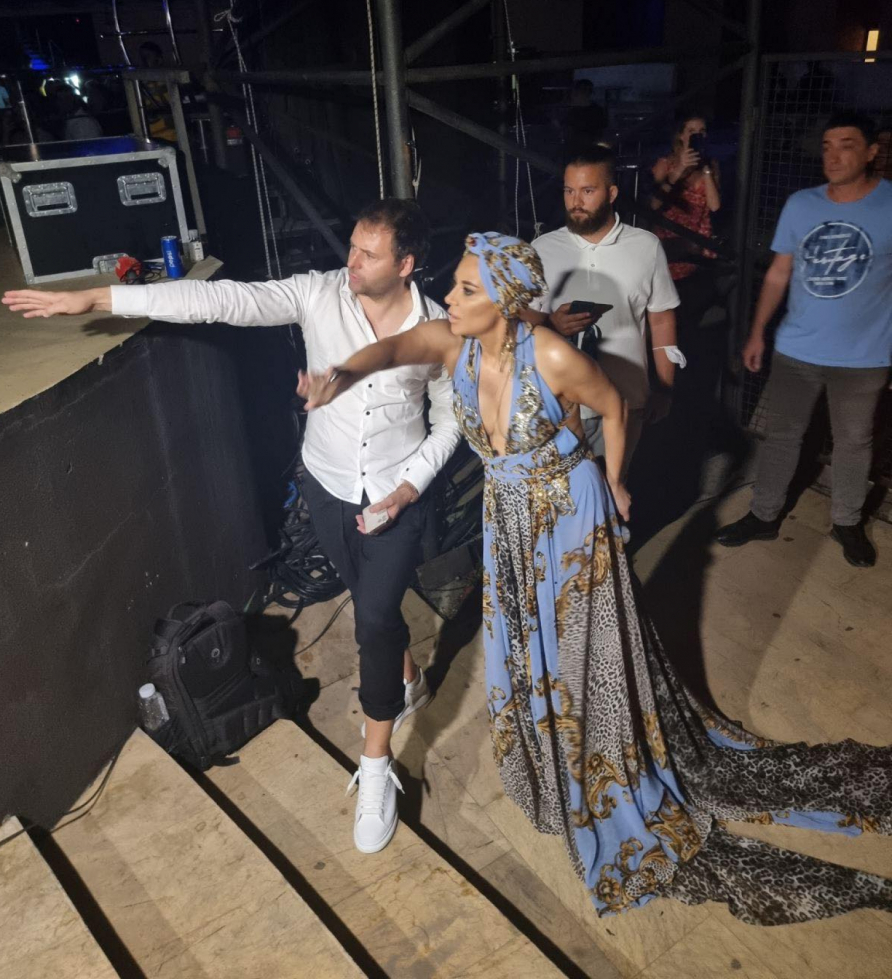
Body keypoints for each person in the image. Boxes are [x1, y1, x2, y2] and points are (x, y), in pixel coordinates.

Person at [299, 230, 892, 924]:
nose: (449, 298)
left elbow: (611, 405)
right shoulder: (452, 342)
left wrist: (614, 480)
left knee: (582, 647)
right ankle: (554, 758)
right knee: (530, 645)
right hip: (508, 515)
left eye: (466, 288)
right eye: (455, 285)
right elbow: (392, 350)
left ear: (507, 301)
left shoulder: (552, 354)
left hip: (567, 512)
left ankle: (604, 764)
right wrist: (342, 374)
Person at [2, 198, 460, 855]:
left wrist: (410, 485)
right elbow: (222, 300)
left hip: (398, 495)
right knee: (374, 608)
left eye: (368, 253)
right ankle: (407, 680)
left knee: (375, 621)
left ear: (406, 264)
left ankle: (377, 765)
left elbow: (452, 418)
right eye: (352, 247)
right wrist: (99, 299)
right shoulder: (318, 293)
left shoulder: (439, 327)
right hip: (327, 486)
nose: (351, 261)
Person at [717, 112, 892, 568]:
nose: (833, 156)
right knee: (782, 436)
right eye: (827, 146)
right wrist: (758, 332)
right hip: (797, 350)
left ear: (872, 152)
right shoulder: (802, 204)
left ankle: (847, 522)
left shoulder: (889, 205)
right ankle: (763, 514)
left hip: (864, 356)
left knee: (854, 442)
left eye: (847, 145)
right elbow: (779, 273)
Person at [529, 145, 682, 476]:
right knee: (564, 494)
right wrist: (552, 323)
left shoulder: (645, 246)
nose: (576, 201)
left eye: (587, 191)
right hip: (559, 404)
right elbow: (521, 322)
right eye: (569, 191)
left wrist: (664, 389)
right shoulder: (542, 249)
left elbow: (661, 318)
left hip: (626, 400)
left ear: (611, 193)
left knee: (613, 490)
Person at [649, 114, 721, 283]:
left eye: (701, 131)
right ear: (681, 136)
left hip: (697, 242)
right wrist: (679, 169)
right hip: (669, 240)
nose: (697, 135)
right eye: (691, 131)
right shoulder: (665, 164)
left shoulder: (710, 165)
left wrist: (706, 169)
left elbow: (714, 206)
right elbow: (653, 204)